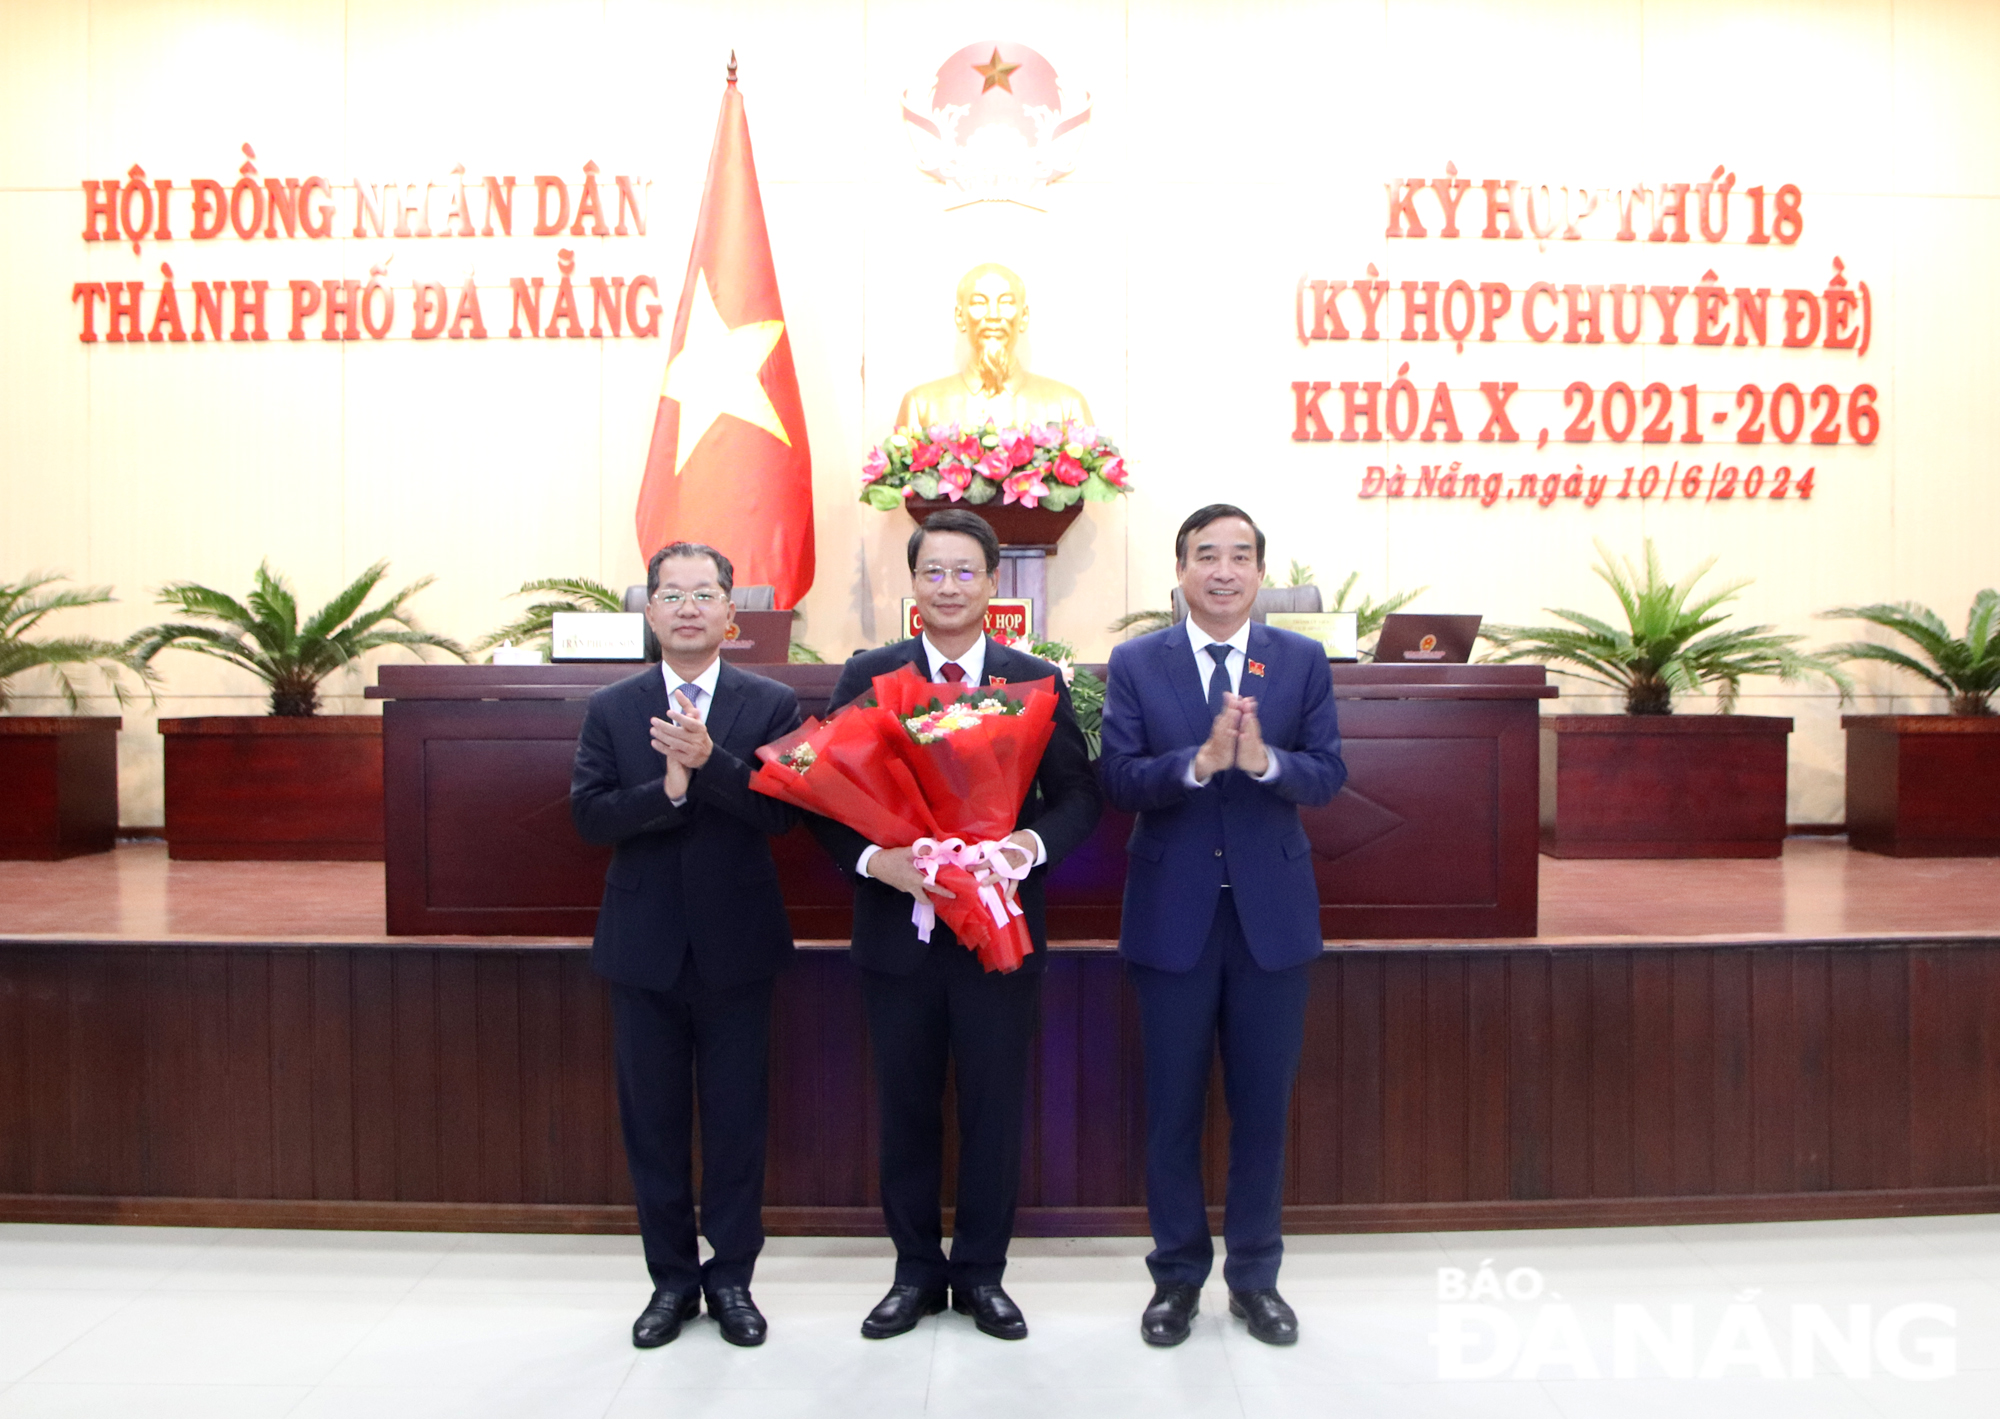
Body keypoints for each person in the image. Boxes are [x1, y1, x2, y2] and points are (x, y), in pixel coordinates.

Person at [811, 507, 1102, 1342]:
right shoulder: (868, 675)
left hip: (1000, 934)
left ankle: (981, 1273)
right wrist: (876, 862)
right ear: (914, 583)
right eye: (932, 571)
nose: (948, 586)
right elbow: (823, 794)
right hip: (898, 934)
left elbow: (1081, 794)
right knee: (904, 1105)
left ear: (992, 583)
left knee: (993, 1105)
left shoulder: (1035, 679)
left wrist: (1029, 846)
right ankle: (912, 1271)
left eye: (964, 571)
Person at [1098, 504, 1347, 1349]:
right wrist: (1197, 764)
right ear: (1181, 570)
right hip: (1172, 921)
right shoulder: (1137, 662)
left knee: (1261, 1109)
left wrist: (1265, 762)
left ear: (1261, 573)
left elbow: (1327, 774)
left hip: (1271, 922)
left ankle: (1256, 1278)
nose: (1225, 570)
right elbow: (1120, 781)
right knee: (1170, 1108)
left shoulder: (1303, 660)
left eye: (1242, 556)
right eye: (1208, 555)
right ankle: (1175, 1279)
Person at [570, 541, 803, 1350]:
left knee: (738, 1122)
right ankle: (671, 1282)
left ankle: (732, 1278)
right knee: (655, 1125)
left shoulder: (770, 702)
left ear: (732, 611)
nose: (688, 607)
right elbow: (591, 817)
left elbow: (784, 812)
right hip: (643, 948)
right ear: (649, 611)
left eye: (704, 593)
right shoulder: (611, 706)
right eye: (672, 594)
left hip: (738, 944)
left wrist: (711, 766)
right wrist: (667, 792)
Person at [893, 263, 1094, 431]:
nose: (993, 315)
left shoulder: (1067, 406)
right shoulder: (921, 406)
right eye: (979, 303)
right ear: (959, 317)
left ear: (1024, 316)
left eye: (1006, 302)